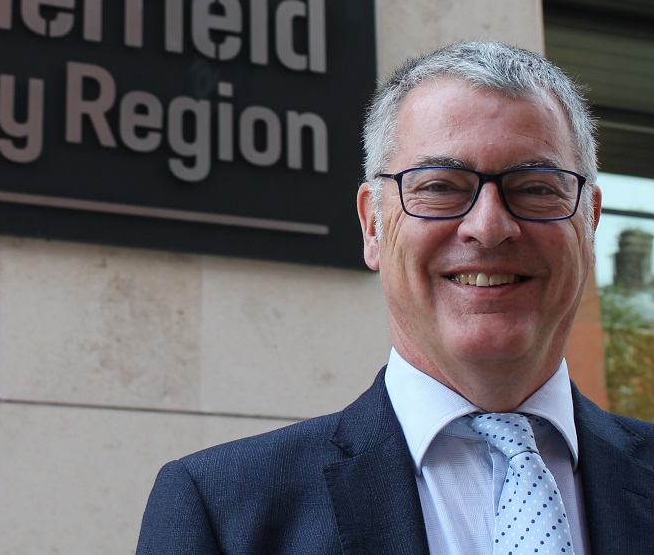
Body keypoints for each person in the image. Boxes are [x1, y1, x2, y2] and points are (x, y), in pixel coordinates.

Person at [135, 41, 654, 554]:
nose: (489, 226)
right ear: (372, 226)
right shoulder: (224, 514)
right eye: (440, 186)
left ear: (588, 222)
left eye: (538, 188)